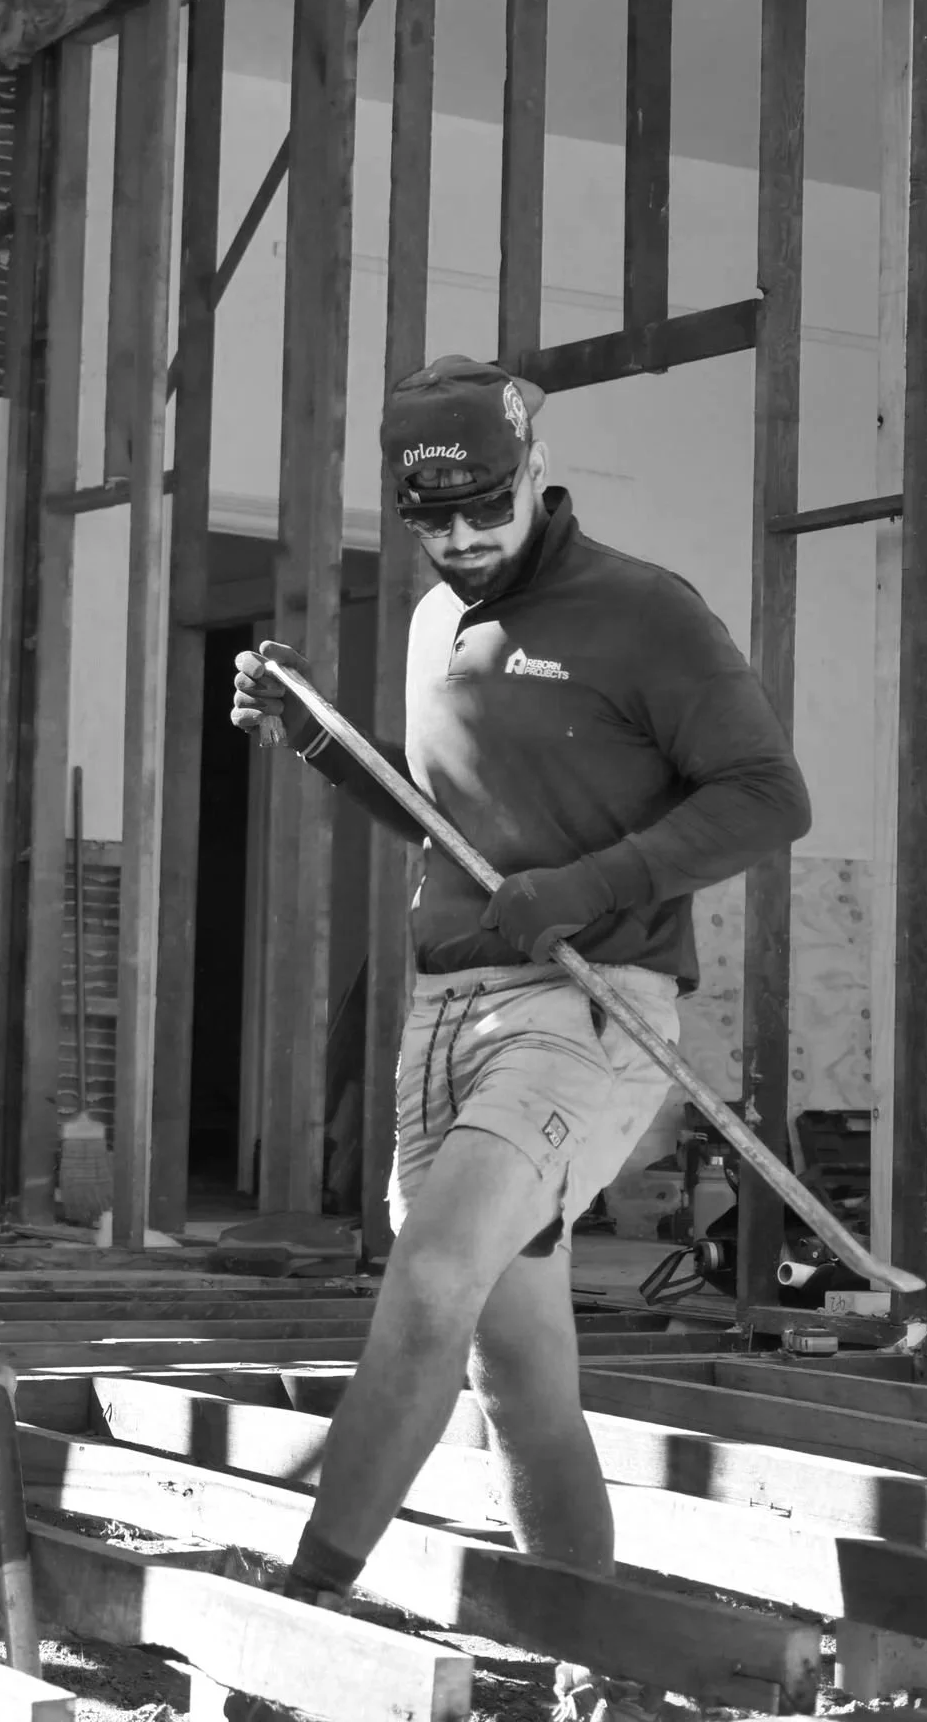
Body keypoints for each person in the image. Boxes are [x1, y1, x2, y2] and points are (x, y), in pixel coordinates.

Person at [231, 355, 810, 1722]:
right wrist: (323, 749)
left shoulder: (645, 614)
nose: (463, 539)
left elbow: (768, 797)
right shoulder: (437, 622)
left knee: (430, 1278)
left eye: (484, 508)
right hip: (448, 1016)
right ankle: (586, 1646)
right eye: (433, 520)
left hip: (590, 1008)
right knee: (520, 1379)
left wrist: (597, 886)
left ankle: (299, 1598)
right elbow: (460, 837)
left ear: (532, 470)